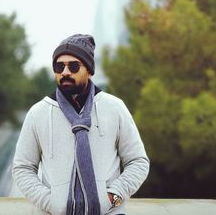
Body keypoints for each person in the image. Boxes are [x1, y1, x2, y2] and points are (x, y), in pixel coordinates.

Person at [12, 34, 149, 215]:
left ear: (89, 70)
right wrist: (49, 202)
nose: (65, 72)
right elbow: (22, 168)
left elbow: (138, 161)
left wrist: (114, 197)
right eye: (59, 66)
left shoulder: (114, 108)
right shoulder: (38, 113)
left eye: (74, 66)